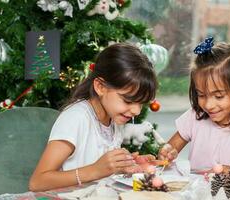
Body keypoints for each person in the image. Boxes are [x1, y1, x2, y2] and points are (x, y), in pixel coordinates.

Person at [29, 43, 158, 191]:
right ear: (100, 87)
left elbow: (102, 169)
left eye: (141, 103)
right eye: (128, 100)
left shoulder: (112, 117)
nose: (136, 110)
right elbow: (37, 182)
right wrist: (96, 170)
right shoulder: (76, 118)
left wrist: (124, 165)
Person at [159, 37, 230, 176]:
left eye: (218, 96)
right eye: (201, 95)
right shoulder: (195, 116)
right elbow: (169, 148)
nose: (208, 105)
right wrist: (167, 152)